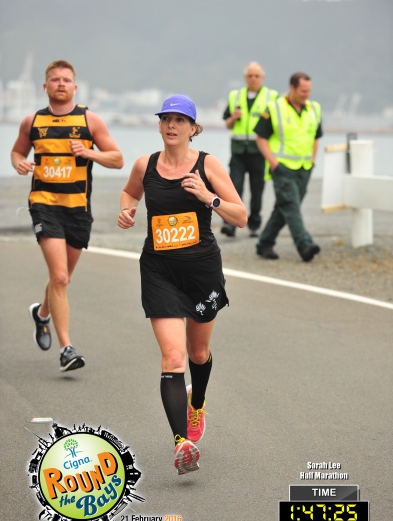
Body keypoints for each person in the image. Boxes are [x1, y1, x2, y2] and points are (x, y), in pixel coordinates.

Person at [118, 94, 247, 475]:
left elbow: (240, 216)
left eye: (180, 120)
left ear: (193, 128)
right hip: (159, 270)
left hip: (201, 271)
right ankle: (181, 442)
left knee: (198, 354)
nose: (171, 125)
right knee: (173, 357)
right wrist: (127, 209)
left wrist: (208, 198)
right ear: (159, 126)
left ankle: (198, 402)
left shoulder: (208, 165)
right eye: (165, 119)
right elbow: (129, 193)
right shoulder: (146, 165)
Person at [11, 59, 124, 372]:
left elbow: (117, 159)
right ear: (45, 87)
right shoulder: (31, 122)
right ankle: (66, 348)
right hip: (44, 203)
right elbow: (17, 151)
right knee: (59, 276)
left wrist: (89, 152)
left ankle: (42, 313)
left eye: (66, 80)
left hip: (78, 209)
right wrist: (18, 162)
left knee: (64, 278)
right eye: (55, 80)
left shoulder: (90, 121)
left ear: (75, 87)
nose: (60, 84)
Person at [254, 72, 322, 262]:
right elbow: (261, 138)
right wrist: (274, 163)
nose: (306, 94)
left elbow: (316, 137)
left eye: (308, 91)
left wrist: (313, 161)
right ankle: (304, 244)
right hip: (282, 168)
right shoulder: (274, 108)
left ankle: (264, 243)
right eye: (302, 91)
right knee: (291, 205)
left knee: (285, 207)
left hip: (305, 168)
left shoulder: (314, 109)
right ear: (292, 88)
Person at [221, 61, 278, 238]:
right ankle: (230, 224)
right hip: (238, 151)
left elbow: (276, 125)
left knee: (257, 189)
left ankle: (254, 225)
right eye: (250, 76)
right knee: (233, 188)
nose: (253, 79)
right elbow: (227, 123)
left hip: (259, 152)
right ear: (245, 77)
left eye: (257, 76)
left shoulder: (272, 97)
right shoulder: (235, 96)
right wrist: (233, 117)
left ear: (262, 78)